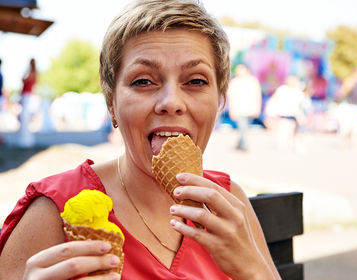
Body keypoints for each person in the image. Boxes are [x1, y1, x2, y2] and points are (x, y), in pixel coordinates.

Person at [0, 1, 282, 280]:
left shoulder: (228, 200)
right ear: (111, 103)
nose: (171, 102)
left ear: (220, 99)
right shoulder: (54, 210)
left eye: (196, 81)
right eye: (143, 81)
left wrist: (253, 271)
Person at [265, 76, 307, 151]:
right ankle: (283, 144)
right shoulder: (283, 90)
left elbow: (301, 103)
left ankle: (287, 143)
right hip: (285, 113)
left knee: (290, 129)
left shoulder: (295, 90)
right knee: (284, 129)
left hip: (293, 114)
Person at [227, 64, 262, 151]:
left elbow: (257, 95)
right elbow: (231, 97)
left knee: (244, 127)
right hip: (239, 109)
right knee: (243, 127)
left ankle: (239, 143)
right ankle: (244, 145)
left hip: (250, 109)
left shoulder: (253, 81)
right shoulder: (234, 82)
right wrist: (232, 110)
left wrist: (258, 108)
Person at [17, 58, 37, 147]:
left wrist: (26, 69)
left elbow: (23, 79)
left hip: (27, 96)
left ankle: (25, 141)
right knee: (24, 118)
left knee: (25, 118)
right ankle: (25, 140)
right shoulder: (34, 73)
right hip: (26, 96)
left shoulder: (31, 73)